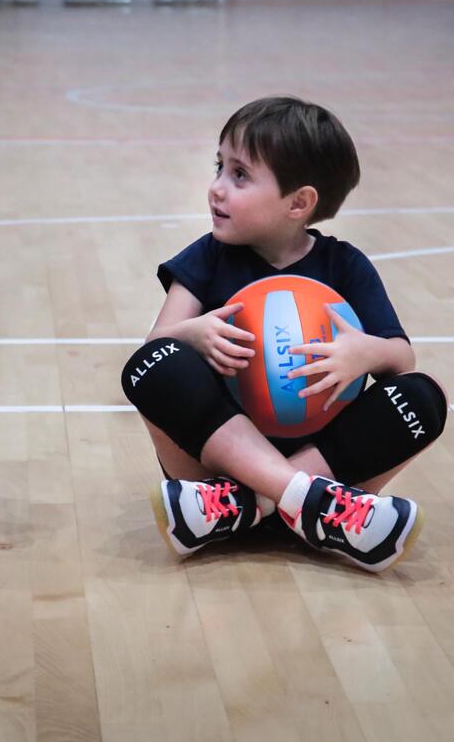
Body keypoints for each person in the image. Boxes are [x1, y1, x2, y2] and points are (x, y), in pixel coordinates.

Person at [122, 96, 447, 573]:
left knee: (424, 398)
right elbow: (157, 346)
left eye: (239, 175)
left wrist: (364, 352)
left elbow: (401, 357)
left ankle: (251, 505)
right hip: (216, 460)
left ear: (299, 203)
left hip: (317, 459)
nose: (216, 188)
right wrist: (194, 334)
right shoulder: (207, 257)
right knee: (149, 367)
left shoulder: (345, 265)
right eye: (220, 167)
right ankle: (309, 503)